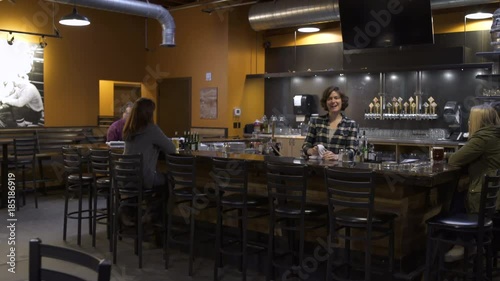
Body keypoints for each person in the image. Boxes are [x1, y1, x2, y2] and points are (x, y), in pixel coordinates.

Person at [444, 104, 500, 262]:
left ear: (478, 121)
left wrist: (446, 155)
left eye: (470, 120)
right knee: (459, 191)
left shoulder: (483, 137)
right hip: (494, 197)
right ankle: (467, 244)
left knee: (454, 200)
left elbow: (456, 159)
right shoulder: (495, 134)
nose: (468, 123)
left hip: (484, 199)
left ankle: (463, 243)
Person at [121, 97, 176, 228]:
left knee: (154, 184)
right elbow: (171, 148)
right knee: (169, 181)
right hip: (142, 178)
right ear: (149, 113)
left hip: (123, 177)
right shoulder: (151, 129)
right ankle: (152, 217)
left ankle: (128, 209)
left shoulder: (129, 128)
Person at [302, 86, 359, 161]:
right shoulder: (316, 121)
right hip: (317, 168)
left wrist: (337, 156)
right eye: (329, 98)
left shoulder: (351, 124)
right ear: (325, 102)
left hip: (338, 169)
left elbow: (352, 150)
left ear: (342, 101)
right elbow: (306, 145)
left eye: (336, 98)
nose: (333, 101)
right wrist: (311, 151)